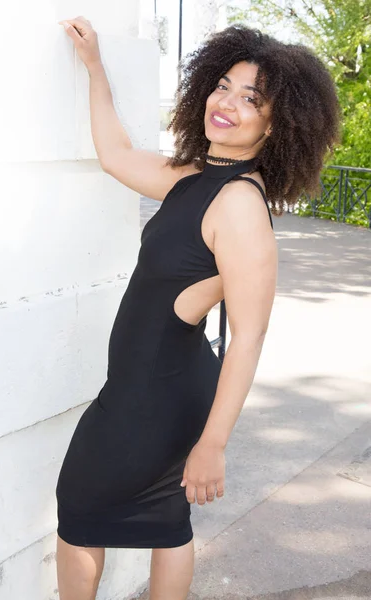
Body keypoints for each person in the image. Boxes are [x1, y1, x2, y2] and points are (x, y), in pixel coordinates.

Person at [56, 16, 340, 600]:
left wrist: (213, 445)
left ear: (277, 123)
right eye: (223, 86)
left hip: (155, 397)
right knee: (165, 522)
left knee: (79, 509)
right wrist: (95, 68)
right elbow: (115, 155)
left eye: (251, 98)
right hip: (154, 384)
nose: (227, 103)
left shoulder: (239, 204)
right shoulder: (195, 176)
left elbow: (251, 337)